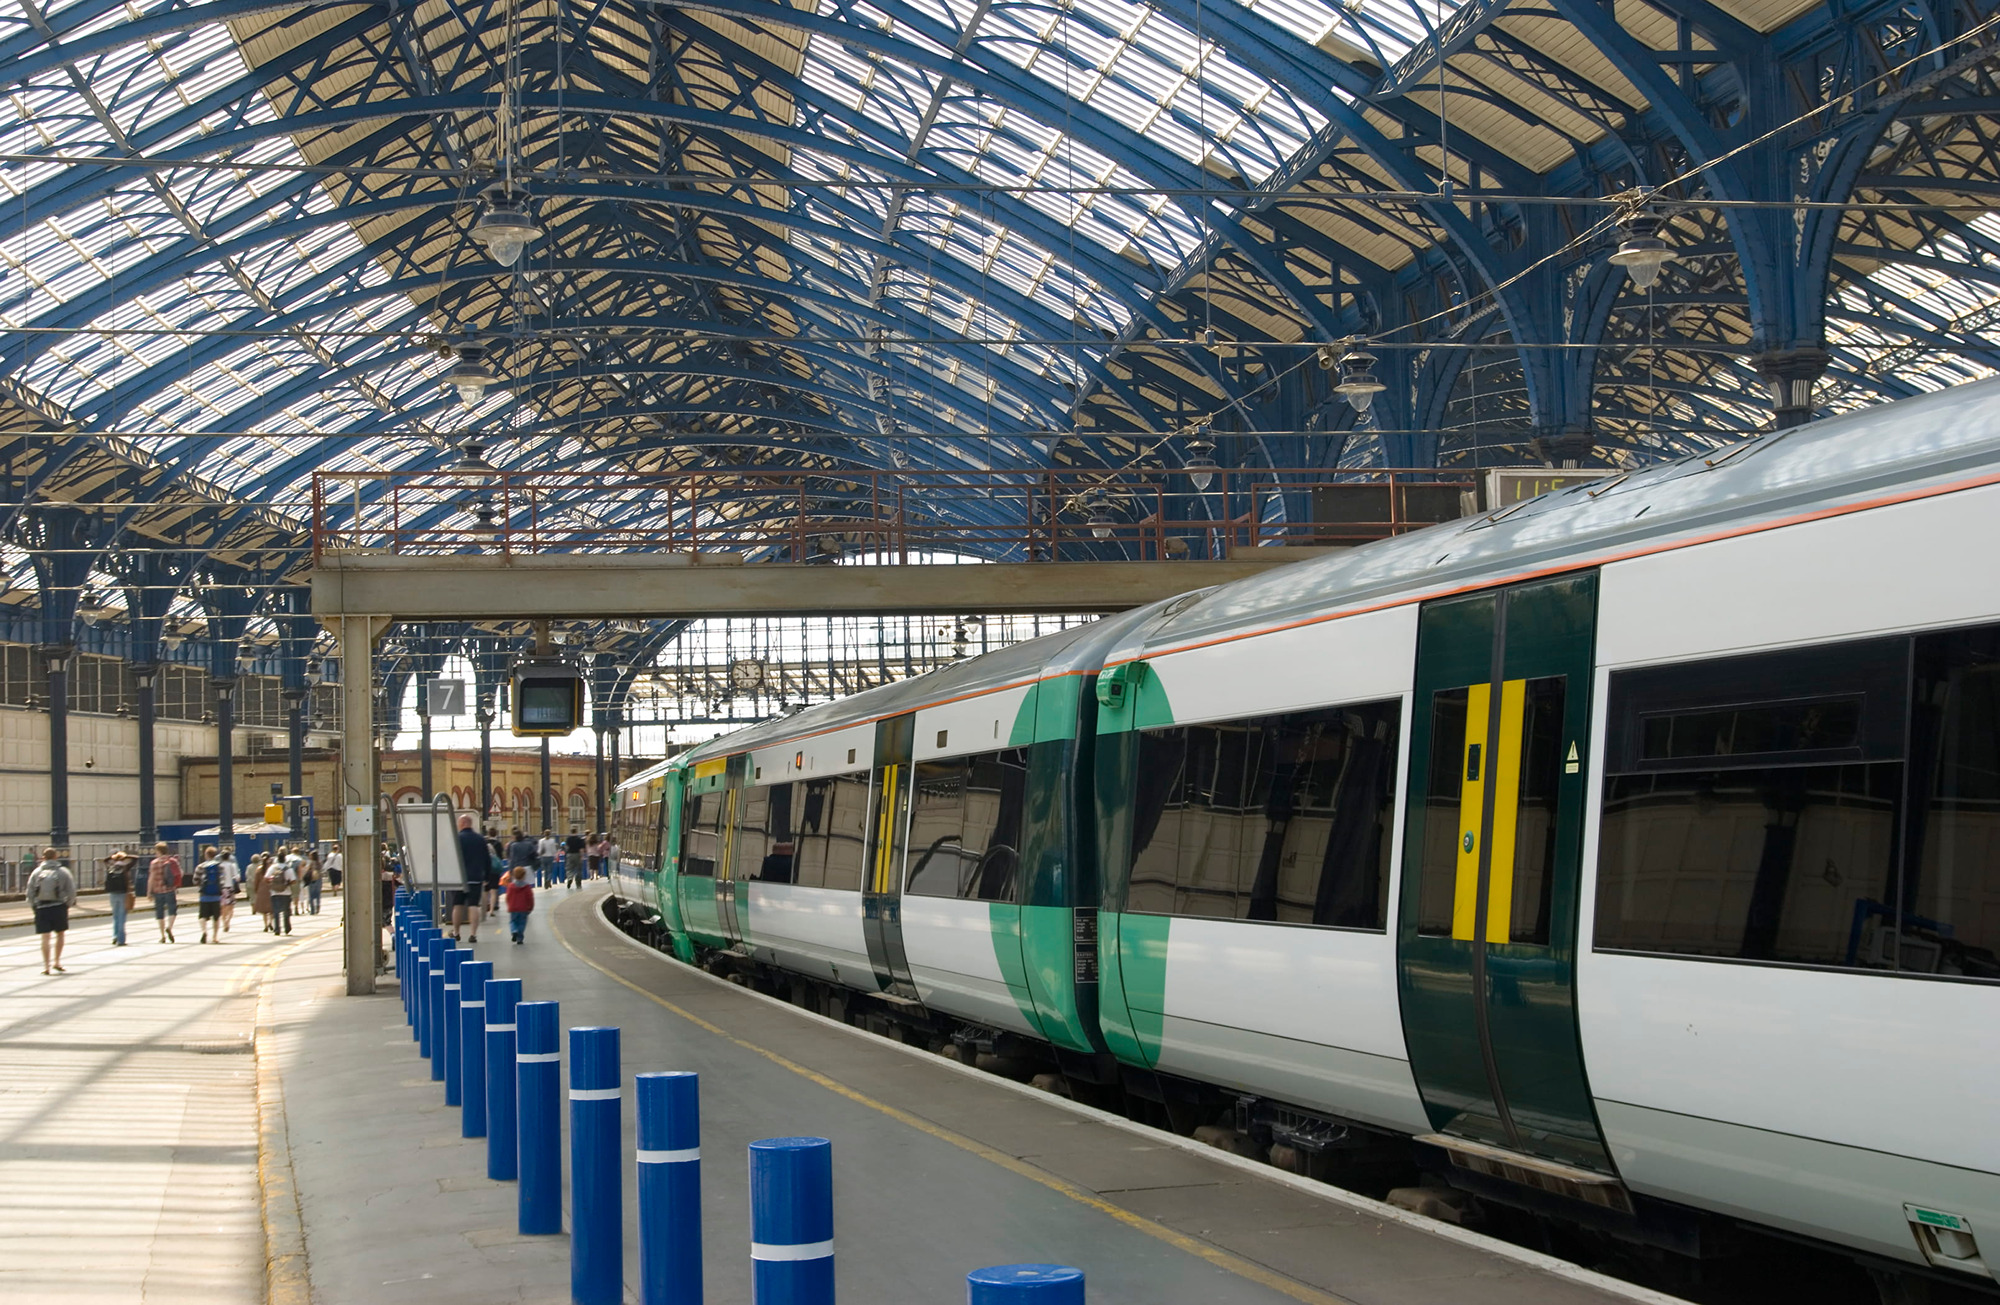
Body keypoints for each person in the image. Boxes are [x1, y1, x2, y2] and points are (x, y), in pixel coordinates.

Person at [27, 848, 76, 975]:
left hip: (42, 907)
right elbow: (71, 892)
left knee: (45, 937)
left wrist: (34, 907)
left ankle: (46, 966)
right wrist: (67, 906)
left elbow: (30, 892)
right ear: (55, 857)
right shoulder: (63, 872)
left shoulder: (36, 872)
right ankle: (57, 961)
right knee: (60, 934)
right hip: (59, 906)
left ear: (43, 858)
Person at [453, 814, 491, 942]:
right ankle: (473, 934)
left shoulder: (456, 838)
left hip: (459, 877)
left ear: (463, 823)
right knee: (473, 905)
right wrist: (486, 876)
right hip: (476, 877)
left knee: (458, 905)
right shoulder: (480, 839)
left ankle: (456, 932)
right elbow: (487, 859)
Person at [147, 841, 182, 944]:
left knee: (160, 913)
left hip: (158, 891)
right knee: (172, 910)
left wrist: (149, 892)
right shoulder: (173, 861)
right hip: (170, 889)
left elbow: (151, 878)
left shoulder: (154, 863)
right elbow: (180, 873)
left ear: (158, 851)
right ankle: (169, 927)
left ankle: (162, 936)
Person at [194, 846, 229, 944]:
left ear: (206, 855)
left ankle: (204, 931)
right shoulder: (220, 867)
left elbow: (195, 880)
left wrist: (201, 886)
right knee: (216, 917)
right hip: (216, 896)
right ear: (215, 855)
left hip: (204, 896)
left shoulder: (200, 866)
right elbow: (223, 881)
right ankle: (215, 937)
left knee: (202, 916)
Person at [103, 852, 133, 946]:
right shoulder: (125, 867)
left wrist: (113, 857)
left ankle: (115, 936)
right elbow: (136, 858)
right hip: (123, 894)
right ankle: (121, 940)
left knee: (115, 916)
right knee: (121, 917)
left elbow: (105, 860)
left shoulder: (111, 867)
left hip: (113, 894)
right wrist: (126, 856)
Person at [266, 852, 296, 935]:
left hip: (274, 893)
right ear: (285, 859)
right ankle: (287, 928)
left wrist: (272, 884)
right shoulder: (288, 869)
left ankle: (277, 929)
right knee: (286, 911)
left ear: (277, 859)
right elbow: (293, 881)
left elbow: (266, 878)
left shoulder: (273, 868)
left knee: (276, 912)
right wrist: (287, 884)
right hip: (286, 893)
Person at [504, 866, 534, 944]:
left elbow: (508, 897)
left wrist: (509, 905)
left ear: (514, 875)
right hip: (523, 908)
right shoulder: (527, 887)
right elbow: (530, 898)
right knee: (522, 923)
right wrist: (530, 907)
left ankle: (514, 930)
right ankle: (519, 938)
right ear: (524, 876)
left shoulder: (510, 886)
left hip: (513, 908)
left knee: (513, 921)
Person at [219, 846, 242, 933]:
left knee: (222, 907)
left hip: (221, 888)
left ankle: (224, 922)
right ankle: (228, 922)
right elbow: (237, 878)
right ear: (229, 857)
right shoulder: (232, 865)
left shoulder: (219, 866)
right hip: (230, 887)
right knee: (231, 907)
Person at [252, 854, 275, 932]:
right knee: (271, 909)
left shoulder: (259, 869)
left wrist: (256, 890)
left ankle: (265, 925)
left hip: (262, 890)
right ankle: (270, 923)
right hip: (271, 889)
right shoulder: (272, 868)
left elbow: (256, 881)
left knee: (264, 910)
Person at [303, 851, 323, 915]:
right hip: (319, 879)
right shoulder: (319, 863)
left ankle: (312, 910)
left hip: (312, 880)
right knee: (317, 894)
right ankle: (317, 907)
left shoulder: (311, 863)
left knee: (311, 895)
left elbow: (307, 870)